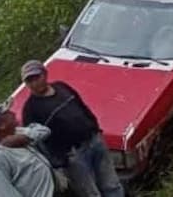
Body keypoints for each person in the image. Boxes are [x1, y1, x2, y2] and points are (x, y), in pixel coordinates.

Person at [21, 61, 124, 197]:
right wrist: (60, 161)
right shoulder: (30, 109)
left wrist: (96, 129)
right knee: (90, 193)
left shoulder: (62, 87)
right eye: (29, 81)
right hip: (73, 156)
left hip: (94, 141)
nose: (34, 83)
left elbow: (82, 106)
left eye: (36, 77)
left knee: (111, 184)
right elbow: (37, 141)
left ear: (45, 74)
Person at [0, 104, 54, 196]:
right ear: (1, 125)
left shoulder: (16, 132)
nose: (13, 113)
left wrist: (26, 138)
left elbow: (44, 130)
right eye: (6, 113)